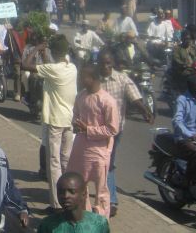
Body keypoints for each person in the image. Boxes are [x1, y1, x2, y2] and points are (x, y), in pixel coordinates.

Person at [22, 34, 77, 210]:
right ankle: (70, 196)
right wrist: (45, 52)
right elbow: (48, 65)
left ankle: (56, 204)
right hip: (69, 120)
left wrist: (36, 49)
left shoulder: (54, 70)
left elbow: (25, 65)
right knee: (66, 161)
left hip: (55, 120)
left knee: (53, 163)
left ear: (54, 51)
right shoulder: (71, 68)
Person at [97, 50, 153, 217]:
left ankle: (111, 200)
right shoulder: (94, 78)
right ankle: (104, 197)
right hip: (96, 130)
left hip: (115, 130)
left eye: (108, 63)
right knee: (101, 163)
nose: (105, 66)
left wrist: (145, 111)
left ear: (112, 63)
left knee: (108, 162)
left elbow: (134, 97)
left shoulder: (122, 79)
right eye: (102, 63)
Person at [65, 65, 119, 218]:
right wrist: (76, 125)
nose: (80, 80)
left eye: (84, 77)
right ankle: (84, 218)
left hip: (98, 151)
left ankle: (102, 221)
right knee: (80, 186)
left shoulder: (107, 101)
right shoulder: (81, 96)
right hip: (80, 148)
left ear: (94, 78)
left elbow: (112, 129)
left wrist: (89, 129)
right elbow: (75, 115)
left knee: (101, 190)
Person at [37, 172, 110, 233]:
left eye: (72, 192)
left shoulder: (98, 224)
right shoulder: (48, 225)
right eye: (61, 192)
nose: (66, 196)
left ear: (84, 194)